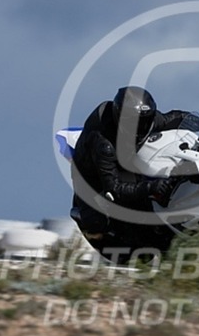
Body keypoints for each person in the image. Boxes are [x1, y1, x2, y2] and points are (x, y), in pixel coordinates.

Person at [70, 86, 190, 256]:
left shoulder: (147, 120)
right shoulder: (104, 145)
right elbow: (115, 188)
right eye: (136, 123)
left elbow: (177, 117)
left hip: (126, 158)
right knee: (102, 220)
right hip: (93, 178)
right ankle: (134, 246)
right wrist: (151, 188)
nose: (142, 127)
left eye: (145, 121)